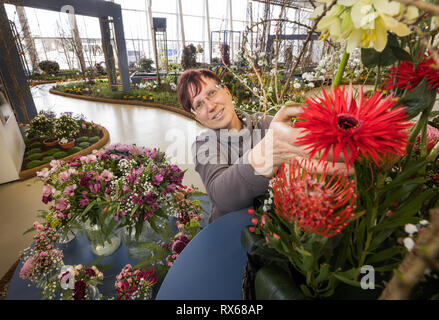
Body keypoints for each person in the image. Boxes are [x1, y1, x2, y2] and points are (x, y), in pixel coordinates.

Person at [177, 68, 350, 224]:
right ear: (197, 117)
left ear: (227, 92)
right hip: (229, 231)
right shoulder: (203, 146)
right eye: (198, 104)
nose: (211, 106)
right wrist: (265, 155)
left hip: (278, 226)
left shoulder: (267, 123)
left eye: (212, 93)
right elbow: (220, 196)